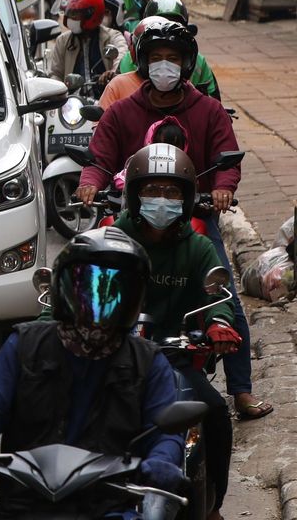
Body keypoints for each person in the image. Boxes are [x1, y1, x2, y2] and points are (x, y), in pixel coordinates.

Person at [77, 21, 271, 425]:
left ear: (186, 66)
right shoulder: (123, 112)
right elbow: (99, 158)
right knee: (91, 285)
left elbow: (227, 159)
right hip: (132, 221)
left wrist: (221, 188)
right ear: (143, 64)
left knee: (225, 298)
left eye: (173, 59)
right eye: (156, 59)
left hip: (192, 219)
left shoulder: (208, 110)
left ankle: (242, 390)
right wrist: (90, 182)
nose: (164, 66)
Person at [0, 227, 185, 519]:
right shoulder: (24, 345)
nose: (100, 305)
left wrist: (162, 460)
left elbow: (165, 431)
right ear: (63, 289)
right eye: (88, 289)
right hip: (25, 503)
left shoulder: (148, 361)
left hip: (109, 505)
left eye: (115, 293)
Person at [109, 143, 242, 519]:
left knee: (215, 412)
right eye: (152, 190)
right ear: (134, 195)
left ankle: (213, 504)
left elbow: (218, 295)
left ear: (185, 199)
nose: (161, 200)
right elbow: (75, 288)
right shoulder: (113, 240)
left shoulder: (197, 247)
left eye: (171, 192)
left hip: (173, 357)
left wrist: (219, 324)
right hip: (116, 354)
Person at [112, 0, 220, 100]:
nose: (167, 29)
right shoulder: (128, 60)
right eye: (155, 58)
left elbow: (213, 99)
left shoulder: (198, 61)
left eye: (173, 58)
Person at [45, 0, 127, 85]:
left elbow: (121, 55)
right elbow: (56, 73)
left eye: (74, 14)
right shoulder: (62, 41)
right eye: (68, 13)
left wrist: (113, 72)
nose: (69, 18)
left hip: (105, 96)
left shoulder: (113, 36)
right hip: (72, 98)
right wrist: (59, 88)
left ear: (90, 14)